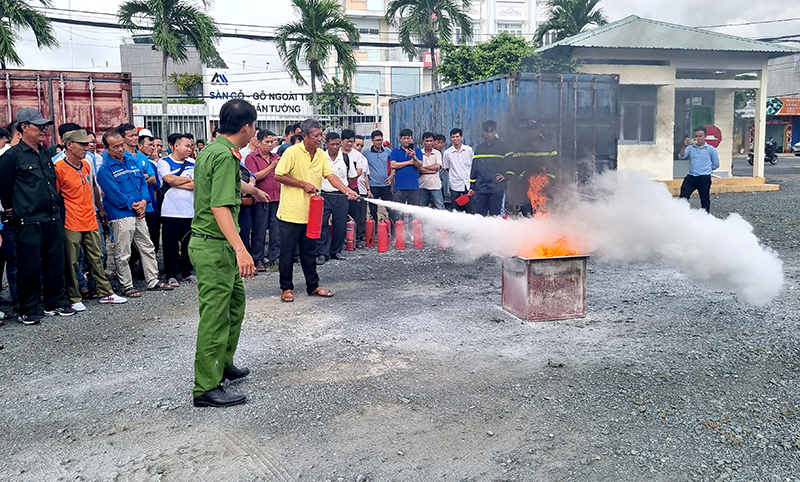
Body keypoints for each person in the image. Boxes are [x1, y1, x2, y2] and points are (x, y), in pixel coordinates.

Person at [189, 98, 269, 408]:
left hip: (214, 244)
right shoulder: (224, 156)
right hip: (215, 245)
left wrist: (251, 189)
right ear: (247, 127)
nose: (254, 133)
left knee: (234, 306)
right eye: (255, 128)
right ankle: (205, 387)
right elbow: (219, 205)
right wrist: (242, 249)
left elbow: (221, 184)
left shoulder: (213, 150)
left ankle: (222, 363)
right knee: (215, 317)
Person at [0, 108, 76, 324]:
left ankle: (55, 302)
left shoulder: (44, 154)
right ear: (24, 127)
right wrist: (10, 210)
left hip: (51, 217)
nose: (44, 130)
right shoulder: (11, 157)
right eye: (38, 126)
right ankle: (29, 308)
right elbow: (4, 187)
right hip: (28, 219)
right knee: (29, 265)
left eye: (45, 126)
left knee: (55, 261)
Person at [274, 118, 359, 303]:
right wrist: (302, 183)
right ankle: (286, 288)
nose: (320, 138)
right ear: (304, 136)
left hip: (311, 213)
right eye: (316, 135)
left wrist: (346, 190)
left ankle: (313, 286)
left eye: (321, 134)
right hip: (290, 213)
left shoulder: (320, 154)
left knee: (309, 252)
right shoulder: (292, 152)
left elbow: (330, 175)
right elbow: (279, 175)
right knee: (287, 253)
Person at [55, 129, 127, 310]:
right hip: (71, 221)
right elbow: (55, 196)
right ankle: (74, 297)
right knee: (72, 261)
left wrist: (100, 209)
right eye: (81, 144)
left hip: (90, 217)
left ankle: (105, 293)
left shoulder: (87, 164)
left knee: (97, 257)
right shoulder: (58, 168)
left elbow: (93, 186)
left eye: (87, 144)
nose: (86, 148)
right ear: (69, 145)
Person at [96, 131, 173, 297]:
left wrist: (144, 201)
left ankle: (152, 280)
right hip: (121, 214)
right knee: (123, 252)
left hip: (139, 211)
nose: (119, 149)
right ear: (107, 148)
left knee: (147, 246)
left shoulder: (131, 161)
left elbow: (142, 183)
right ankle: (127, 285)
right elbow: (114, 194)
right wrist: (135, 205)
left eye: (121, 145)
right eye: (115, 147)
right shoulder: (105, 170)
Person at [158, 133, 196, 287]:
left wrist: (179, 182)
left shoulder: (193, 163)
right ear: (175, 146)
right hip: (170, 211)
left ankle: (187, 272)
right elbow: (169, 179)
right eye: (186, 145)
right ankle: (171, 274)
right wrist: (187, 180)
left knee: (188, 244)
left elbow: (196, 184)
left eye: (191, 146)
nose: (190, 149)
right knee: (170, 245)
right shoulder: (164, 162)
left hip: (189, 211)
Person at [316, 132, 357, 264]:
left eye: (337, 144)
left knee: (340, 224)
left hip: (340, 195)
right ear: (326, 144)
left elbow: (352, 176)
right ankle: (323, 253)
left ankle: (336, 251)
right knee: (322, 224)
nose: (334, 147)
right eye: (331, 144)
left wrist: (345, 189)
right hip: (324, 194)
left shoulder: (345, 158)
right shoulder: (320, 156)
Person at [243, 129, 281, 271]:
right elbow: (255, 176)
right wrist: (271, 167)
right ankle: (258, 259)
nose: (270, 145)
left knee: (276, 229)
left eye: (272, 142)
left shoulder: (276, 156)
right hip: (261, 199)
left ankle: (274, 257)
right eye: (267, 142)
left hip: (276, 197)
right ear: (259, 142)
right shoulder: (251, 158)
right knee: (259, 230)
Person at [508, 118, 559, 216]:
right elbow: (516, 167)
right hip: (526, 189)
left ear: (540, 129)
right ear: (527, 131)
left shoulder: (549, 146)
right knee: (528, 214)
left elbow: (555, 166)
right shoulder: (521, 147)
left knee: (544, 213)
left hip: (545, 188)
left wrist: (550, 179)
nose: (533, 132)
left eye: (535, 129)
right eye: (530, 129)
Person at [472, 120, 510, 216]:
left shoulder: (503, 148)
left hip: (496, 188)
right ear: (483, 133)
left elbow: (512, 164)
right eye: (487, 132)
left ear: (495, 131)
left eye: (491, 132)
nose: (489, 135)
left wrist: (506, 176)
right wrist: (472, 186)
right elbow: (474, 168)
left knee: (495, 216)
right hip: (481, 189)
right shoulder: (479, 148)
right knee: (479, 216)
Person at [679, 126, 719, 213]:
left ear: (705, 136)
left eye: (700, 136)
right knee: (683, 197)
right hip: (691, 177)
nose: (698, 138)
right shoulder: (690, 148)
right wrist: (684, 146)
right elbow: (682, 156)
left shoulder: (711, 150)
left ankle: (705, 218)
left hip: (704, 178)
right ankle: (681, 215)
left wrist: (707, 170)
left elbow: (716, 164)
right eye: (696, 136)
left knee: (704, 199)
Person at [341, 129, 369, 246]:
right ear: (342, 141)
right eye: (347, 141)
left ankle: (355, 239)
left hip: (353, 188)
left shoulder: (357, 155)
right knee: (341, 215)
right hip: (339, 190)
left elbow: (359, 172)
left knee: (355, 215)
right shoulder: (335, 153)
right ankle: (341, 239)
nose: (349, 144)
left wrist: (346, 183)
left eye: (351, 142)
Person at [362, 130, 394, 229]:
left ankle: (392, 229)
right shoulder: (366, 153)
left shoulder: (387, 151)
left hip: (385, 186)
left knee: (391, 209)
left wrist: (391, 175)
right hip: (373, 186)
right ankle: (374, 231)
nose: (379, 142)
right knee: (372, 210)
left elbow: (393, 164)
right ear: (372, 140)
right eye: (376, 140)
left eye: (380, 140)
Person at [136, 129, 162, 252]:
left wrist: (142, 179)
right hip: (137, 205)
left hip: (151, 204)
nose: (153, 148)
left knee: (153, 239)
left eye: (154, 145)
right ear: (139, 145)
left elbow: (153, 181)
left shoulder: (149, 162)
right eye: (150, 145)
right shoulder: (132, 159)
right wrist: (143, 178)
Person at [442, 128, 474, 213]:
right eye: (453, 137)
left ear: (461, 137)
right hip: (455, 184)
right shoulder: (447, 153)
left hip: (468, 183)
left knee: (470, 207)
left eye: (457, 136)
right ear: (451, 138)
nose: (455, 139)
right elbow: (446, 167)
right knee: (455, 208)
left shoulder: (468, 150)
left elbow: (472, 165)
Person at [390, 128, 423, 207]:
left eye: (408, 138)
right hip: (399, 186)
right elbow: (393, 165)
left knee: (414, 212)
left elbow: (420, 165)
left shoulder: (417, 151)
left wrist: (414, 157)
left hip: (413, 186)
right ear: (400, 139)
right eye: (404, 138)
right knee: (399, 212)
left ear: (411, 139)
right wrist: (409, 162)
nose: (406, 140)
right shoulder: (395, 151)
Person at [418, 132, 444, 209]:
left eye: (430, 141)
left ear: (433, 142)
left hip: (435, 185)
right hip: (422, 185)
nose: (429, 143)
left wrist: (423, 168)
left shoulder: (437, 153)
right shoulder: (419, 153)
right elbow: (419, 168)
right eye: (427, 141)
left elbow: (438, 166)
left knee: (440, 207)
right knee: (422, 208)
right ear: (423, 142)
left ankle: (445, 221)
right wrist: (431, 171)